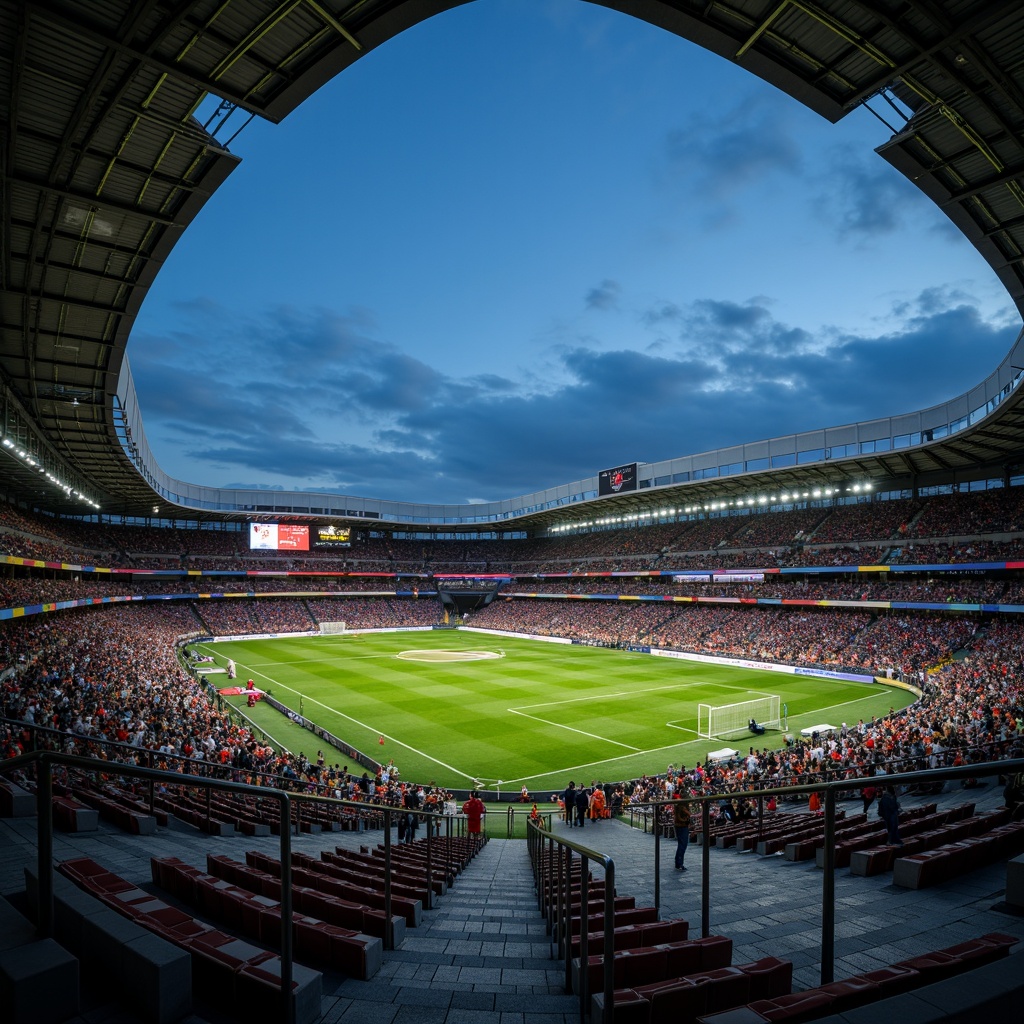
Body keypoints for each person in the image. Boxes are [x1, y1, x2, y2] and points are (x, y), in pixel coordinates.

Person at [673, 795, 691, 871]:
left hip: (679, 826)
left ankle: (678, 862)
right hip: (683, 826)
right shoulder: (682, 807)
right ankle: (679, 863)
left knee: (681, 844)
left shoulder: (677, 806)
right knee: (682, 845)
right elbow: (689, 814)